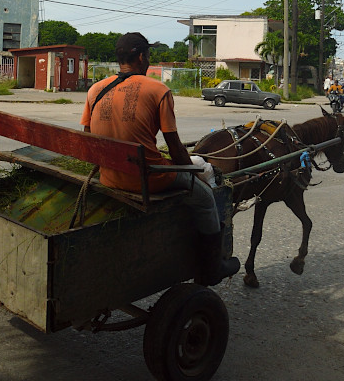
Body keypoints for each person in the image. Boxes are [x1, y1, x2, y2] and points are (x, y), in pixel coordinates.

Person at [80, 32, 239, 286]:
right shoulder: (158, 90)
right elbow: (175, 147)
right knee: (207, 198)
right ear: (142, 57)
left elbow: (89, 136)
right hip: (148, 178)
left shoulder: (96, 89)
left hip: (109, 175)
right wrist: (193, 171)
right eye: (148, 54)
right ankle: (212, 268)